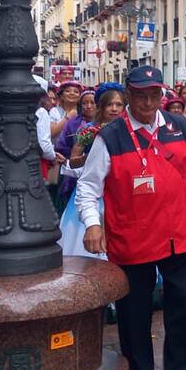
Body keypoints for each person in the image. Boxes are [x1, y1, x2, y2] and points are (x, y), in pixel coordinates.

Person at [77, 66, 186, 370]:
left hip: (179, 234)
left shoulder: (178, 126)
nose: (148, 102)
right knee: (134, 313)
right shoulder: (110, 136)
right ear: (128, 95)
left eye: (154, 94)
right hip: (132, 238)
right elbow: (87, 187)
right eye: (140, 95)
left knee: (181, 307)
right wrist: (93, 224)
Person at [59, 84, 124, 259]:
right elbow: (73, 161)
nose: (114, 109)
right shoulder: (88, 129)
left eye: (118, 105)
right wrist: (90, 157)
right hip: (94, 190)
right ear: (101, 107)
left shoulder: (129, 130)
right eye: (110, 104)